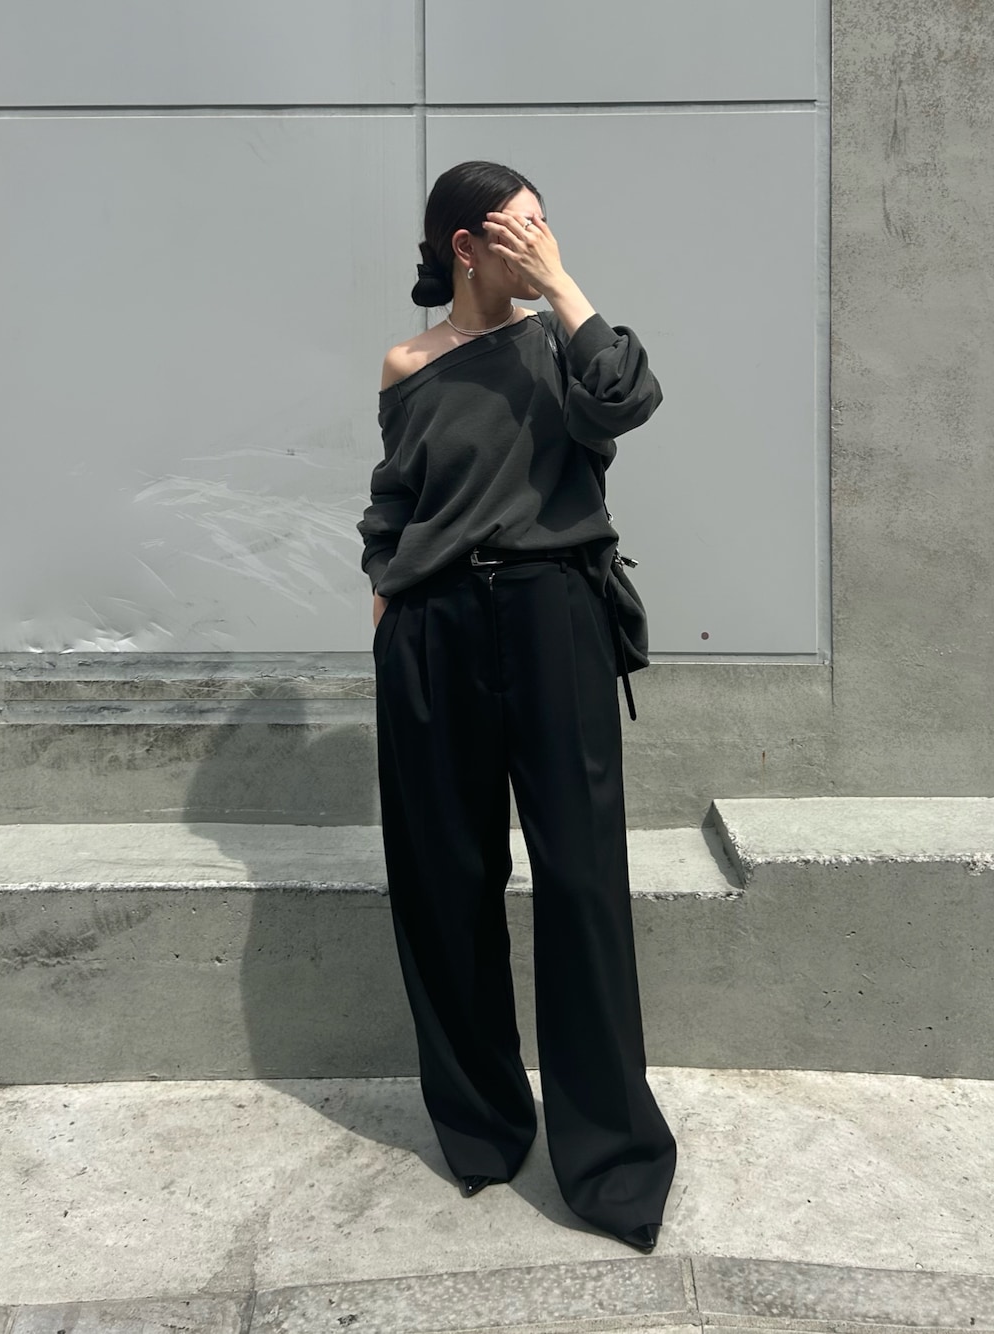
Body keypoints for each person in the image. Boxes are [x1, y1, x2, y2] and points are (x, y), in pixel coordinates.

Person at [356, 160, 677, 1253]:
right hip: (433, 630)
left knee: (581, 879)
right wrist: (385, 598)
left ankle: (614, 1163)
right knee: (444, 880)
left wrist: (563, 284)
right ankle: (482, 1126)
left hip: (554, 616)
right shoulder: (408, 363)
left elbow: (628, 398)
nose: (540, 240)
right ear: (465, 245)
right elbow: (395, 497)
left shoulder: (563, 345)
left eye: (547, 224)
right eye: (520, 227)